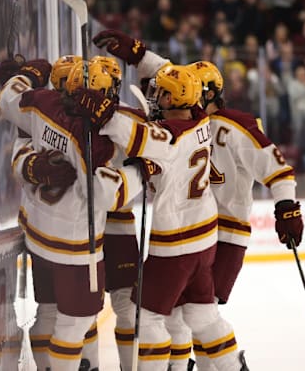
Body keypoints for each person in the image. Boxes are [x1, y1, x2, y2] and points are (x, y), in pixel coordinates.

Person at [91, 29, 249, 370]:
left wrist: (105, 112)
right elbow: (180, 81)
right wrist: (141, 57)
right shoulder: (200, 120)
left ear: (173, 100)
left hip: (174, 247)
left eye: (160, 93)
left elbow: (133, 136)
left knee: (145, 319)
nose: (155, 95)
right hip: (204, 242)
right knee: (202, 315)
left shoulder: (166, 139)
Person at [0, 58, 146, 371]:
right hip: (84, 231)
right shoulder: (100, 131)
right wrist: (142, 170)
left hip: (99, 226)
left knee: (116, 307)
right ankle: (85, 365)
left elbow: (13, 105)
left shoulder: (45, 106)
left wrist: (23, 77)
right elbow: (22, 148)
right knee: (77, 315)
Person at [171, 60, 304, 371]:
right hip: (190, 232)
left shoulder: (237, 125)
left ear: (208, 93)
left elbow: (278, 170)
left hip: (226, 233)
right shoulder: (184, 126)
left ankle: (231, 365)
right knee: (188, 314)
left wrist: (287, 207)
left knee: (197, 313)